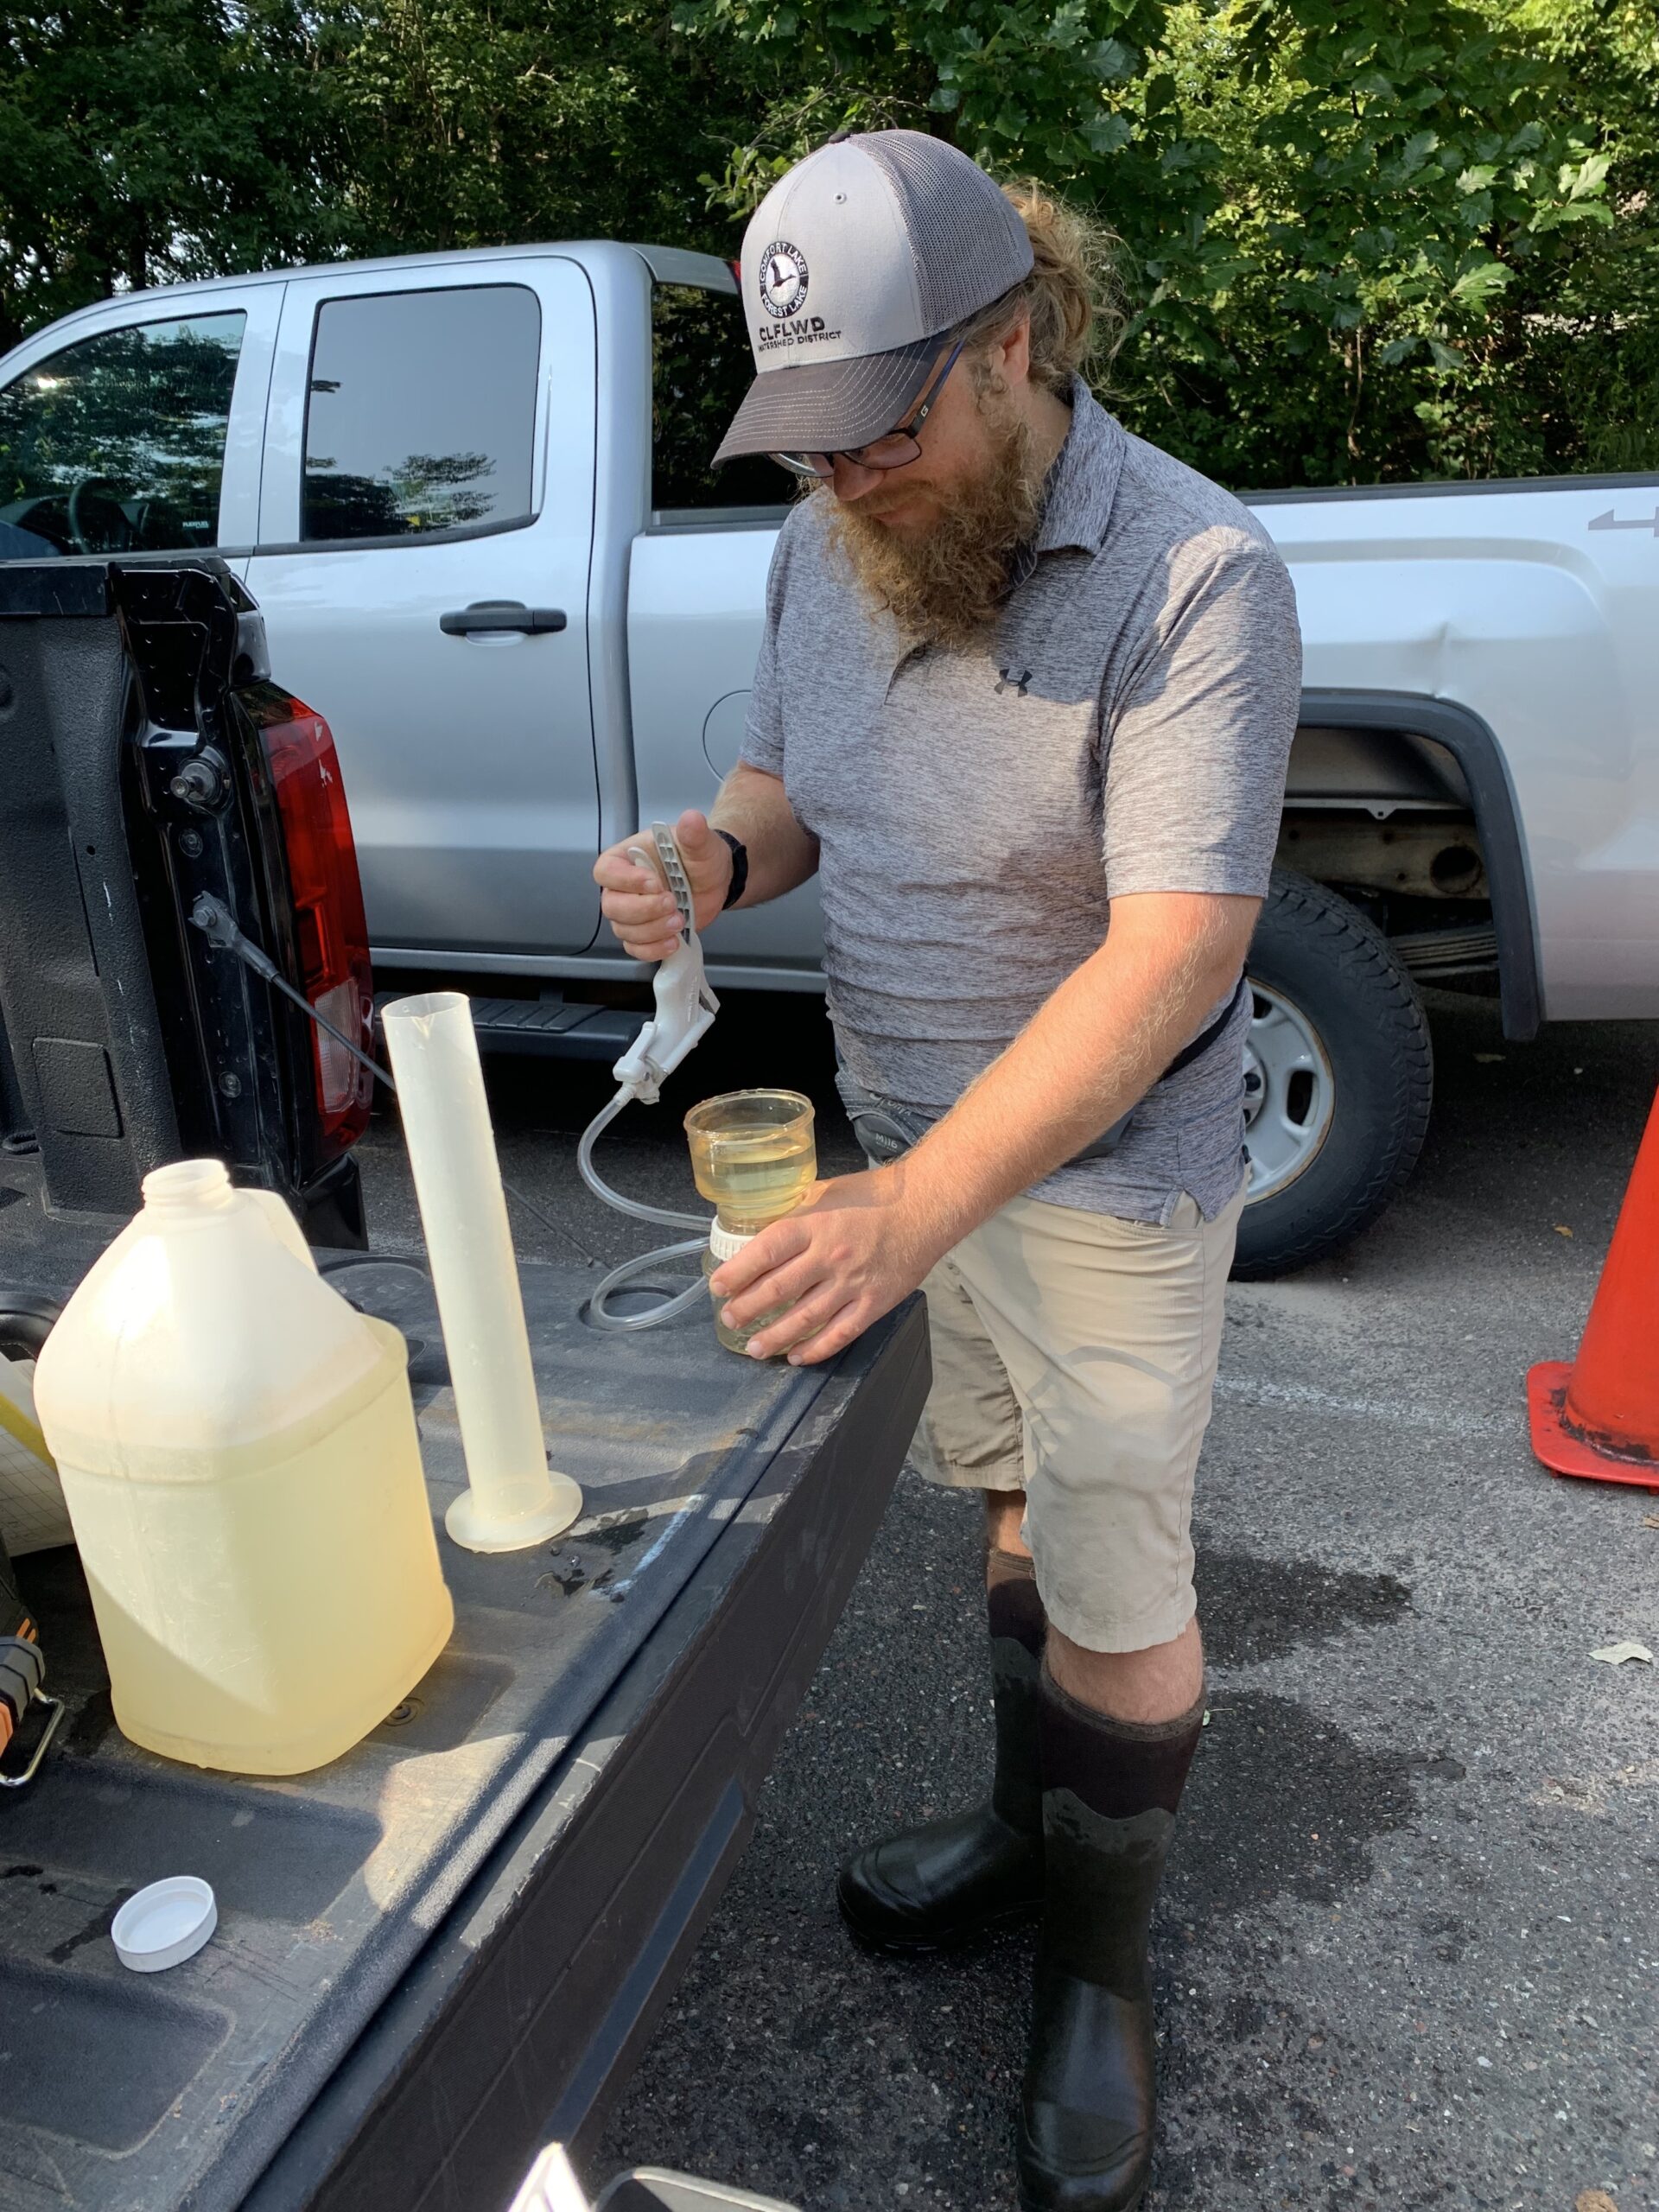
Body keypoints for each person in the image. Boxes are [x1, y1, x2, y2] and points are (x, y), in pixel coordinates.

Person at [595, 129, 1300, 2212]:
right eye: (806, 444)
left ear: (1014, 344)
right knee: (1003, 1498)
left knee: (1118, 1565)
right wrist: (713, 860)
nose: (840, 481)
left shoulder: (1195, 574)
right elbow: (789, 779)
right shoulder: (834, 536)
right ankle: (1023, 1831)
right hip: (908, 1140)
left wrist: (918, 1205)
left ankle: (1099, 1976)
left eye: (879, 431)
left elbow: (1177, 955)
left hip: (1095, 1174)